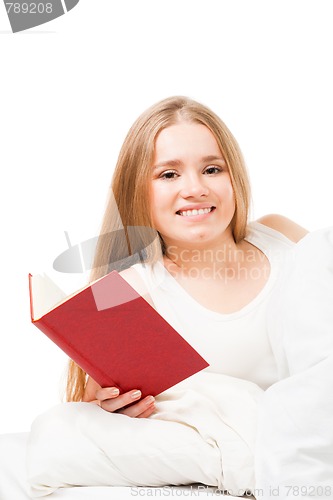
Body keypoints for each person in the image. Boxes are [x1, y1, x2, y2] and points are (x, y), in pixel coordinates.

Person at [65, 95, 308, 415]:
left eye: (212, 169)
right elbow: (86, 411)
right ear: (137, 190)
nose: (195, 188)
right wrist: (107, 408)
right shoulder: (127, 289)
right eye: (169, 174)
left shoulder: (283, 235)